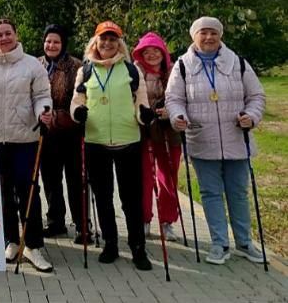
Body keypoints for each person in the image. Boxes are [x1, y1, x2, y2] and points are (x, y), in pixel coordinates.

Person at [166, 16, 266, 265]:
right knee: (210, 194)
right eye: (203, 33)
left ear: (220, 35)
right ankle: (219, 243)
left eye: (213, 32)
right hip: (202, 139)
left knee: (238, 193)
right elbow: (173, 99)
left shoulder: (239, 63)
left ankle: (244, 242)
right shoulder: (181, 66)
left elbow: (256, 96)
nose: (208, 37)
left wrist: (251, 116)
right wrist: (178, 116)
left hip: (236, 139)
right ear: (194, 36)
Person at [0, 18, 55, 273]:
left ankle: (34, 245)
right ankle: (11, 240)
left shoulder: (32, 65)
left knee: (28, 192)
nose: (3, 38)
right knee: (1, 194)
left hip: (24, 139)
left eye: (8, 33)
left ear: (16, 34)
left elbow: (41, 96)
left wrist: (42, 112)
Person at [70, 21, 154, 271]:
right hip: (96, 141)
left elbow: (141, 102)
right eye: (103, 39)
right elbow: (76, 101)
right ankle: (110, 244)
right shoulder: (85, 70)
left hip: (127, 140)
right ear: (95, 42)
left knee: (131, 199)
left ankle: (138, 247)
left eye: (112, 39)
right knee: (103, 197)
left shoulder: (131, 69)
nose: (107, 43)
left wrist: (144, 116)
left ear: (119, 43)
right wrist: (78, 114)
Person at [37, 24, 88, 242]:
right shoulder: (36, 64)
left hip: (71, 131)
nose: (51, 45)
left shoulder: (76, 66)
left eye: (56, 41)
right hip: (46, 133)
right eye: (48, 41)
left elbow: (84, 98)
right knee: (50, 179)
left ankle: (81, 224)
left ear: (63, 44)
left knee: (76, 179)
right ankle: (55, 221)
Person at [132, 31, 181, 242]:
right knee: (143, 176)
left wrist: (170, 110)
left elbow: (181, 98)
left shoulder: (173, 72)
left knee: (168, 176)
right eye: (147, 51)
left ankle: (167, 220)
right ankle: (144, 218)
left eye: (156, 51)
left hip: (168, 131)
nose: (151, 55)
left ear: (163, 53)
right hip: (142, 130)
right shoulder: (135, 71)